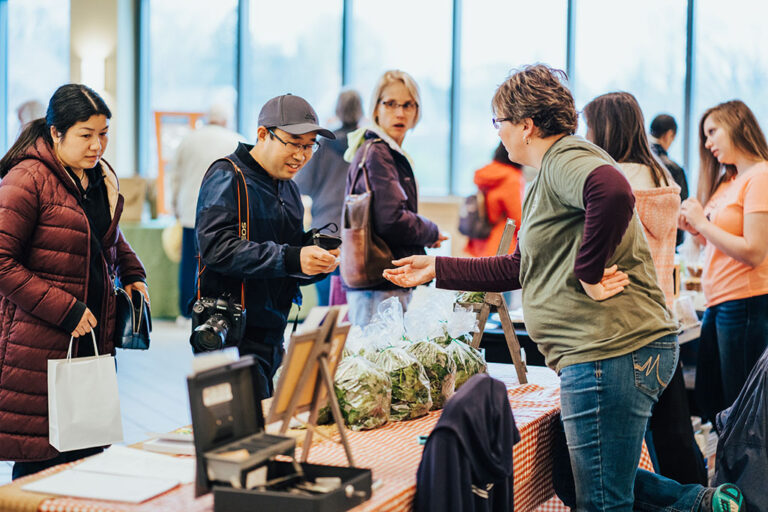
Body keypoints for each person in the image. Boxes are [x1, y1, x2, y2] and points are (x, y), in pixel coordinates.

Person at [383, 65, 744, 512]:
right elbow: (520, 267)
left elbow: (612, 191)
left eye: (499, 122)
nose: (499, 132)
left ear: (526, 126)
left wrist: (588, 273)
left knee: (601, 501)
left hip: (607, 352)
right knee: (576, 480)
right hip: (609, 352)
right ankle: (705, 505)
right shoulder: (549, 171)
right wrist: (436, 268)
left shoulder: (566, 159)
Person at [0, 84, 148, 479]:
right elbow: (1, 262)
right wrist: (65, 309)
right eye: (86, 135)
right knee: (40, 458)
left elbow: (106, 236)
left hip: (91, 338)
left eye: (103, 134)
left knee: (85, 455)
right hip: (40, 342)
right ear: (55, 133)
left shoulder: (97, 178)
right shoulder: (27, 179)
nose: (97, 145)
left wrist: (133, 273)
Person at [584, 92, 707, 486]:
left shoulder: (610, 182)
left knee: (619, 452)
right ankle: (696, 498)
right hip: (660, 314)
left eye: (589, 127)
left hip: (621, 320)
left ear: (604, 129)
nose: (585, 136)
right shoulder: (662, 175)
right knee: (673, 432)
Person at [194, 94, 340, 398]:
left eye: (309, 145)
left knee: (269, 431)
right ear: (263, 134)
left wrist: (315, 262)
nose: (301, 155)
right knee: (238, 438)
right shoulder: (227, 175)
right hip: (230, 333)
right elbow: (217, 247)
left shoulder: (290, 188)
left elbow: (287, 258)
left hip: (273, 333)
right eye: (294, 143)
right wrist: (292, 258)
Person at [679, 99, 768, 420]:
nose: (707, 143)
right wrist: (696, 230)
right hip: (720, 301)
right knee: (711, 397)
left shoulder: (760, 176)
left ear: (738, 125)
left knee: (741, 409)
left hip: (745, 301)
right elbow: (718, 243)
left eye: (712, 132)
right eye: (705, 135)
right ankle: (730, 470)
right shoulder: (729, 182)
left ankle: (743, 472)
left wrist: (703, 224)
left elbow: (754, 251)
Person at [342, 70, 447, 327]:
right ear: (375, 108)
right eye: (390, 103)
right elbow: (391, 219)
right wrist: (431, 231)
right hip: (379, 283)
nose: (399, 113)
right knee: (377, 363)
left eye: (407, 105)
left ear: (416, 111)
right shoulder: (378, 152)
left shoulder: (385, 150)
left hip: (382, 281)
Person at [167, 103, 245, 318]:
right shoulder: (235, 139)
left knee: (189, 263)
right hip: (224, 213)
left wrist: (174, 206)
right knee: (217, 263)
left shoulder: (188, 140)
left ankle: (185, 312)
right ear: (226, 120)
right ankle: (218, 310)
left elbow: (175, 177)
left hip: (190, 209)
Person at [294, 89, 363, 306]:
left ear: (337, 110)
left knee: (327, 307)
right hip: (359, 232)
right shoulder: (367, 145)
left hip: (325, 230)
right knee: (356, 307)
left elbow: (301, 184)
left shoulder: (323, 144)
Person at [464, 142, 525, 257]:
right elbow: (518, 218)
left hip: (481, 238)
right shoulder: (511, 177)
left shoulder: (487, 173)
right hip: (501, 241)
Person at [650, 114, 690, 247]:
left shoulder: (634, 159)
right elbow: (681, 210)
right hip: (664, 243)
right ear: (669, 135)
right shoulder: (674, 170)